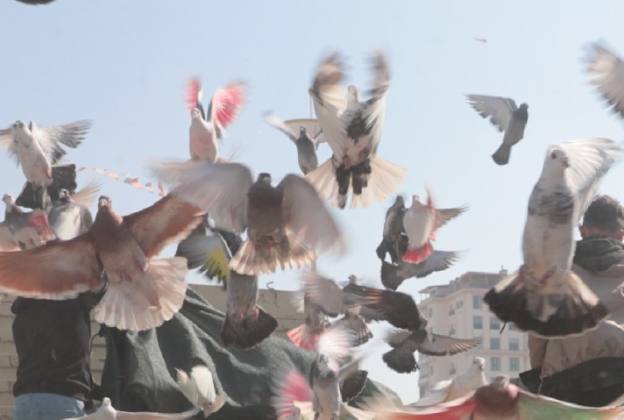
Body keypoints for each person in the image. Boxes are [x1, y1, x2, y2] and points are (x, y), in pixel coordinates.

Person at [526, 195, 624, 406]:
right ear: (621, 235)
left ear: (582, 231)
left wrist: (540, 372)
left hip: (566, 382)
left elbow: (538, 335)